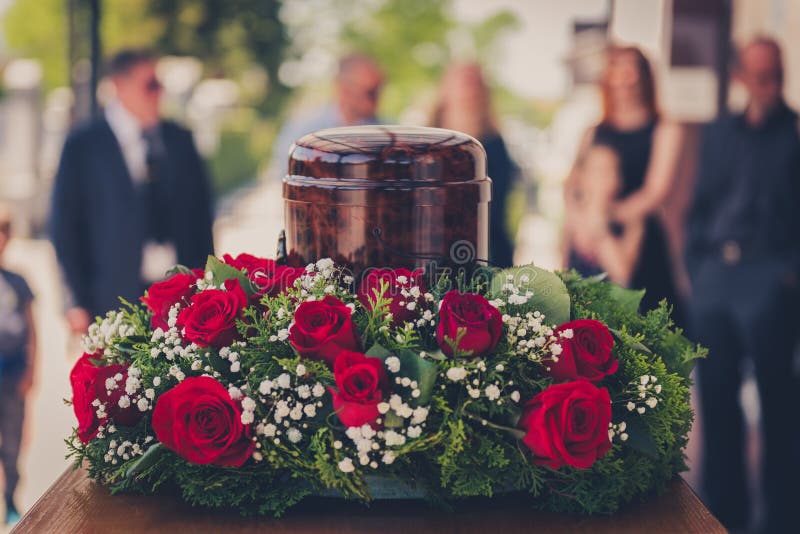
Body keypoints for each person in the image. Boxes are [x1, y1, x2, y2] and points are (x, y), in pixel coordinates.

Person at [686, 37, 800, 533]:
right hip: (717, 275)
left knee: (778, 402)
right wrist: (697, 266)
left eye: (774, 74)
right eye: (757, 74)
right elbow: (702, 201)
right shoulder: (719, 133)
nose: (766, 84)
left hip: (771, 278)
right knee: (715, 397)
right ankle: (721, 515)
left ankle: (781, 518)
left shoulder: (795, 133)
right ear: (740, 77)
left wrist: (787, 274)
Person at [51, 49, 215, 332]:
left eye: (160, 85)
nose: (158, 94)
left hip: (180, 299)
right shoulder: (83, 146)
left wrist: (209, 285)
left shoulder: (180, 139)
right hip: (112, 300)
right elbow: (64, 226)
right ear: (119, 86)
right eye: (150, 85)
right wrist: (73, 300)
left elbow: (201, 218)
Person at [565, 46, 683, 319]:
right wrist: (582, 226)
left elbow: (655, 191)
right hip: (588, 236)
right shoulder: (594, 131)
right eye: (617, 70)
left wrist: (603, 221)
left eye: (631, 71)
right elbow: (572, 186)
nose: (624, 79)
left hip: (636, 234)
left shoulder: (664, 127)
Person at [431, 62, 517, 267]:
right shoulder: (429, 139)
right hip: (433, 244)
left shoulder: (494, 144)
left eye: (473, 84)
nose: (467, 91)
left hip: (485, 247)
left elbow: (495, 206)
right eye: (462, 83)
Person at [270, 53, 385, 179]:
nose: (378, 97)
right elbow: (287, 175)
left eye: (380, 88)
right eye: (371, 92)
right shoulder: (303, 132)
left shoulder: (386, 132)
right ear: (344, 89)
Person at [0, 205, 36, 525]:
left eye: (4, 231)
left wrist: (32, 370)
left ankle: (10, 498)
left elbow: (31, 327)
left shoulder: (17, 282)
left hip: (12, 374)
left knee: (12, 443)